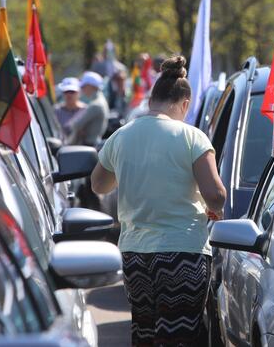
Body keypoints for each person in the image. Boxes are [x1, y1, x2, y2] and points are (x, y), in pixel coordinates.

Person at [90, 55, 227, 347]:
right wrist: (212, 207)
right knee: (181, 336)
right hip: (183, 252)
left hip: (135, 255)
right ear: (185, 104)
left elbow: (98, 184)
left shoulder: (121, 136)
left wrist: (128, 172)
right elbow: (216, 195)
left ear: (152, 100)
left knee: (144, 333)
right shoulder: (193, 137)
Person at [68, 71, 109, 146]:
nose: (82, 89)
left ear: (91, 86)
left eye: (84, 86)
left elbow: (76, 125)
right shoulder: (100, 101)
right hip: (93, 143)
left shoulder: (96, 105)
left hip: (90, 144)